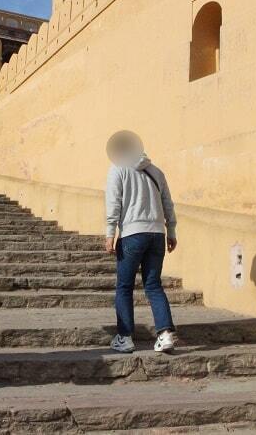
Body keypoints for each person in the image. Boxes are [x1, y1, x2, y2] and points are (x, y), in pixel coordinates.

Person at [105, 130, 178, 354]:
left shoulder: (118, 169)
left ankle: (125, 337)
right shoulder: (156, 171)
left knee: (124, 286)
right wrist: (171, 230)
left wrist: (110, 232)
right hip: (157, 235)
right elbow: (168, 203)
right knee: (153, 285)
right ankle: (165, 335)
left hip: (132, 235)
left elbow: (113, 201)